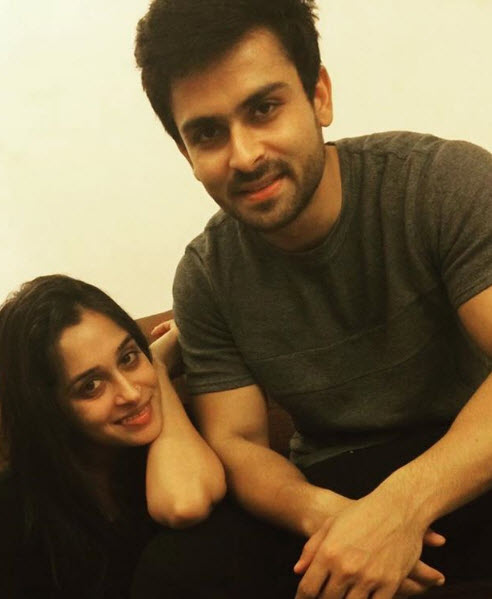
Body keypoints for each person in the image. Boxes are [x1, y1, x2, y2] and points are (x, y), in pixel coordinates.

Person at [134, 1, 492, 598]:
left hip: (467, 459)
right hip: (331, 482)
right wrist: (331, 520)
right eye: (208, 133)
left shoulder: (440, 183)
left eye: (263, 109)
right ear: (186, 153)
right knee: (177, 569)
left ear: (319, 96)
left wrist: (397, 511)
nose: (245, 155)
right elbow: (238, 444)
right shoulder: (205, 276)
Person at [0, 274, 226, 598]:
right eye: (91, 386)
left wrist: (156, 366)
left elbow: (185, 503)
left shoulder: (174, 441)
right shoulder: (6, 511)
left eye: (128, 357)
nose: (130, 393)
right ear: (46, 408)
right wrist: (156, 364)